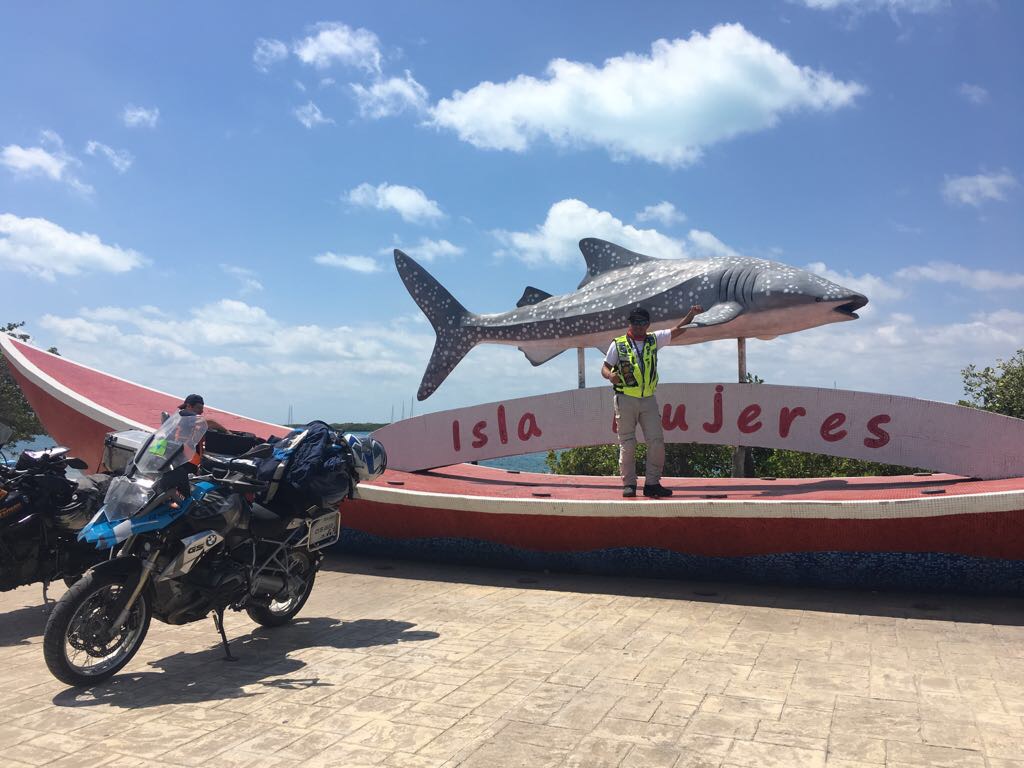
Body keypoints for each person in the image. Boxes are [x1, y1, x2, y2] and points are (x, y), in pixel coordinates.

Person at [601, 305, 703, 498]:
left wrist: (691, 315)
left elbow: (678, 330)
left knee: (656, 441)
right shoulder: (618, 344)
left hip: (648, 399)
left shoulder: (653, 340)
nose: (638, 326)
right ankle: (629, 484)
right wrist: (610, 376)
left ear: (648, 324)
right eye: (634, 322)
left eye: (642, 322)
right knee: (627, 443)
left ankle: (652, 483)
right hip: (625, 398)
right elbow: (605, 367)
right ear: (629, 323)